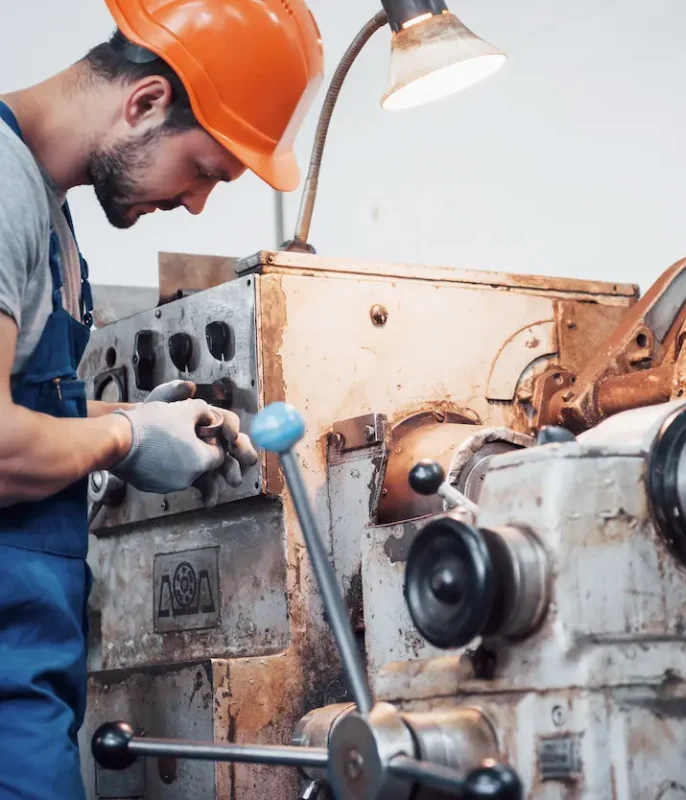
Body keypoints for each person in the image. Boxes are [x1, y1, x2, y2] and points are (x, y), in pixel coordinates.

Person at [0, 0, 324, 796]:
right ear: (145, 102)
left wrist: (133, 419)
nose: (197, 203)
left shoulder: (48, 211)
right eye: (205, 170)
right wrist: (125, 438)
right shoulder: (2, 186)